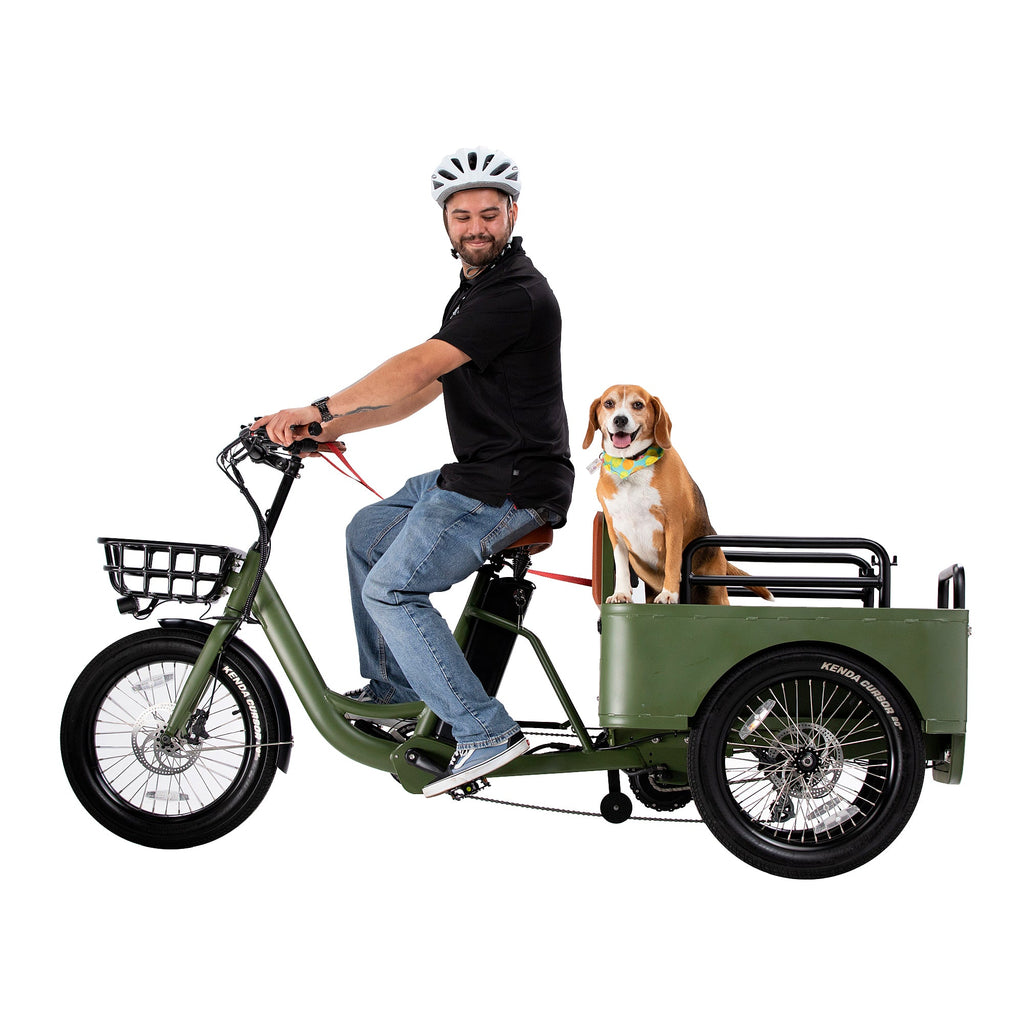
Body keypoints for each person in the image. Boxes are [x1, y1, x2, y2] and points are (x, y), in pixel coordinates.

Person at [254, 146, 573, 796]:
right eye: (462, 216)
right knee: (367, 533)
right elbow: (423, 391)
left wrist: (318, 407)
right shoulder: (475, 292)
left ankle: (486, 731)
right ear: (445, 221)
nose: (476, 227)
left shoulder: (516, 293)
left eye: (489, 214)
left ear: (513, 214)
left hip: (511, 488)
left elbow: (416, 367)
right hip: (477, 474)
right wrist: (326, 431)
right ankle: (397, 695)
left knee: (391, 591)